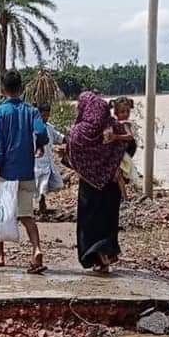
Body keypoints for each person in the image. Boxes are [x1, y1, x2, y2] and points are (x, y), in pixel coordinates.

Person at [68, 91, 136, 273]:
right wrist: (113, 163)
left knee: (89, 222)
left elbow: (71, 157)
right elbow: (131, 146)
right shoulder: (114, 126)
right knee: (108, 220)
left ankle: (97, 258)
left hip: (88, 186)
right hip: (111, 184)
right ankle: (107, 254)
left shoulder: (77, 133)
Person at [0, 69, 48, 273]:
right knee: (26, 215)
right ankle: (36, 249)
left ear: (3, 89)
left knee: (0, 214)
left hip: (6, 172)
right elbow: (41, 131)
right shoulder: (31, 111)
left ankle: (0, 255)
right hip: (26, 171)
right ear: (21, 89)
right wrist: (39, 144)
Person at [34, 103, 65, 216]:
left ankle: (42, 201)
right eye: (43, 115)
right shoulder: (33, 129)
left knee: (49, 185)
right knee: (39, 185)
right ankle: (41, 203)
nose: (45, 118)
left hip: (48, 161)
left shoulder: (49, 127)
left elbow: (60, 137)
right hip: (37, 162)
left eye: (47, 115)